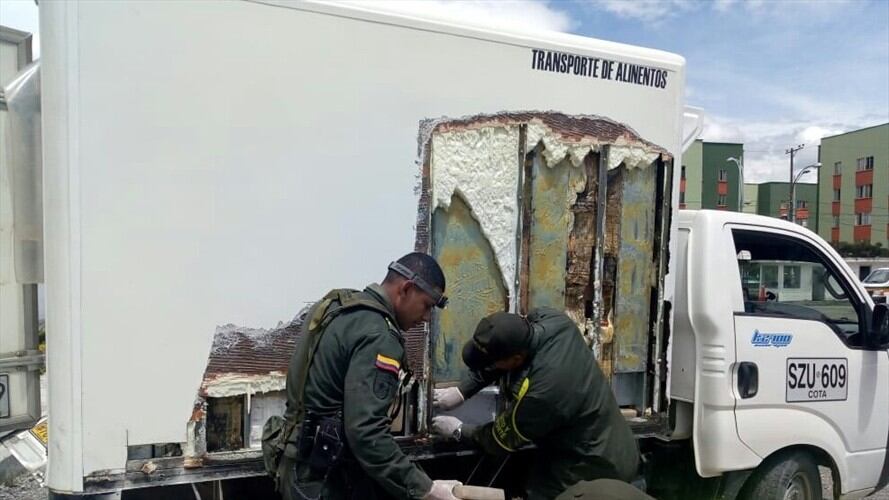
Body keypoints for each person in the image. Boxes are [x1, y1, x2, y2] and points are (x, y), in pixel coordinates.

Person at [277, 253, 461, 500]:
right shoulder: (379, 335)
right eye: (427, 305)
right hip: (326, 478)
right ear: (406, 289)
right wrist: (424, 488)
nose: (427, 318)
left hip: (296, 464)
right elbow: (366, 432)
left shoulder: (337, 306)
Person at [431, 308, 640, 500]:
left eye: (493, 362)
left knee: (542, 494)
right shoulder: (553, 320)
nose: (490, 367)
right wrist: (463, 390)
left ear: (516, 358)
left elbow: (499, 439)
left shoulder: (544, 394)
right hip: (608, 442)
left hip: (593, 464)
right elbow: (506, 350)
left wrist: (459, 430)